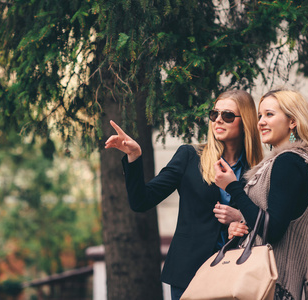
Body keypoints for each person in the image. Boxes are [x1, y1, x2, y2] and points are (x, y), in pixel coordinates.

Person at [105, 90, 263, 300]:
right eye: (214, 114)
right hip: (190, 272)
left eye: (227, 115)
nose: (218, 120)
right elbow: (141, 201)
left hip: (236, 272)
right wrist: (134, 156)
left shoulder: (259, 169)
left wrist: (240, 219)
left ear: (246, 122)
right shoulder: (189, 157)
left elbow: (267, 220)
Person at [214, 88, 308, 300]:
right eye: (259, 116)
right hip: (268, 286)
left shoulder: (289, 162)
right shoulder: (286, 162)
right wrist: (241, 222)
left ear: (292, 121)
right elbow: (271, 218)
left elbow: (272, 229)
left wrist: (232, 187)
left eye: (269, 114)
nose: (260, 122)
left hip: (273, 287)